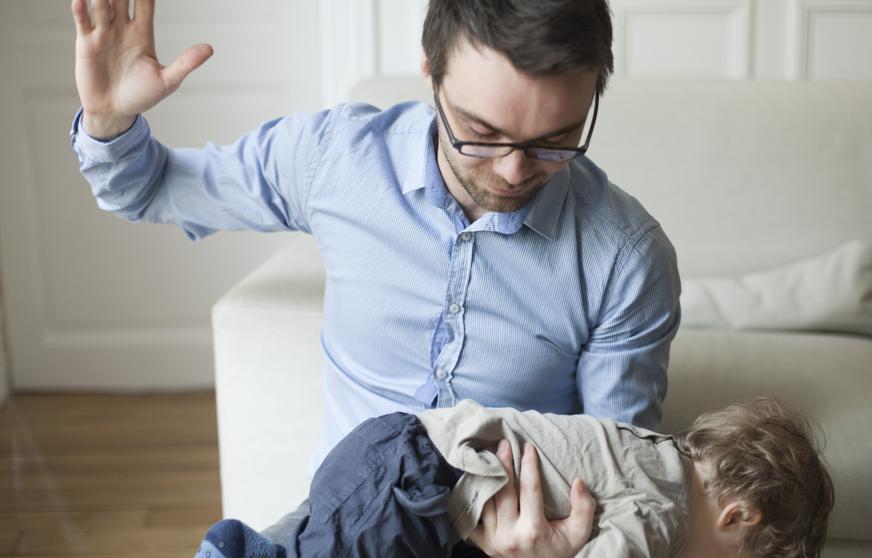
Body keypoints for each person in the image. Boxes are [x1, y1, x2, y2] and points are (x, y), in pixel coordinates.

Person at [69, 1, 681, 555]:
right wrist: (108, 119)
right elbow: (148, 189)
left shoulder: (627, 258)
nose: (515, 169)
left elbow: (622, 470)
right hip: (337, 524)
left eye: (555, 140)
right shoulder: (335, 158)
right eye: (481, 132)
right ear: (430, 72)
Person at [195, 397, 835, 558]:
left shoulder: (658, 454)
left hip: (398, 457)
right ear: (738, 517)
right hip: (415, 478)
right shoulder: (664, 512)